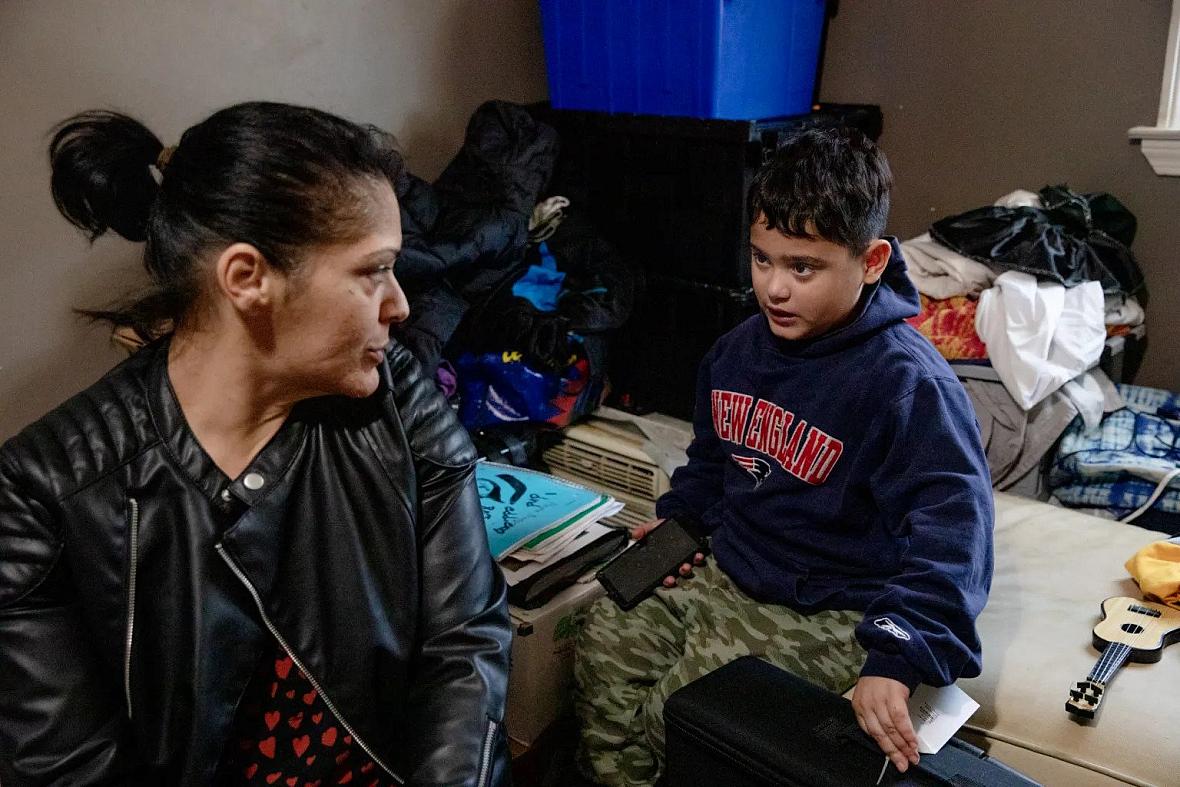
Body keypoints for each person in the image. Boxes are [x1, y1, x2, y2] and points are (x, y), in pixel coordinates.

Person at [0, 102, 512, 786]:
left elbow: (467, 647)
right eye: (373, 271)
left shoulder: (395, 397)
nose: (400, 305)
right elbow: (69, 769)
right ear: (248, 279)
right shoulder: (41, 492)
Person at [574, 128, 994, 786]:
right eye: (762, 259)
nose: (774, 287)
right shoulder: (736, 350)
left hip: (830, 603)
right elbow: (713, 462)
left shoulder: (909, 386)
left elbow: (954, 534)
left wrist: (897, 652)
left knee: (679, 710)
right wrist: (680, 520)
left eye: (802, 267)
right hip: (731, 564)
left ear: (873, 260)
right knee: (601, 633)